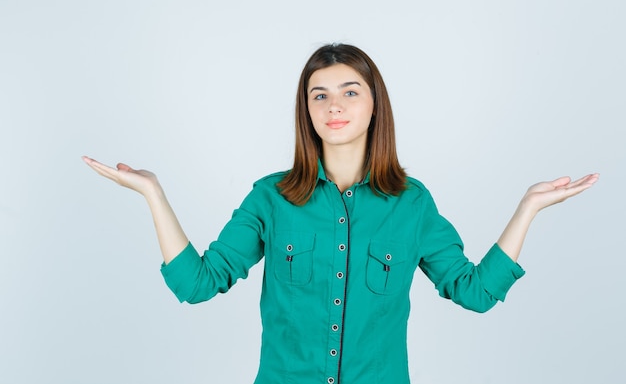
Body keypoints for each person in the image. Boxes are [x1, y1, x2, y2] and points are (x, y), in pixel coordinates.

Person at [83, 43, 599, 384]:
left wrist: (528, 208)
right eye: (319, 95)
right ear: (306, 111)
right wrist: (153, 193)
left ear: (375, 105)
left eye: (350, 91)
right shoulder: (271, 197)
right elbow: (196, 284)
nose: (334, 104)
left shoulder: (412, 203)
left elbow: (476, 292)